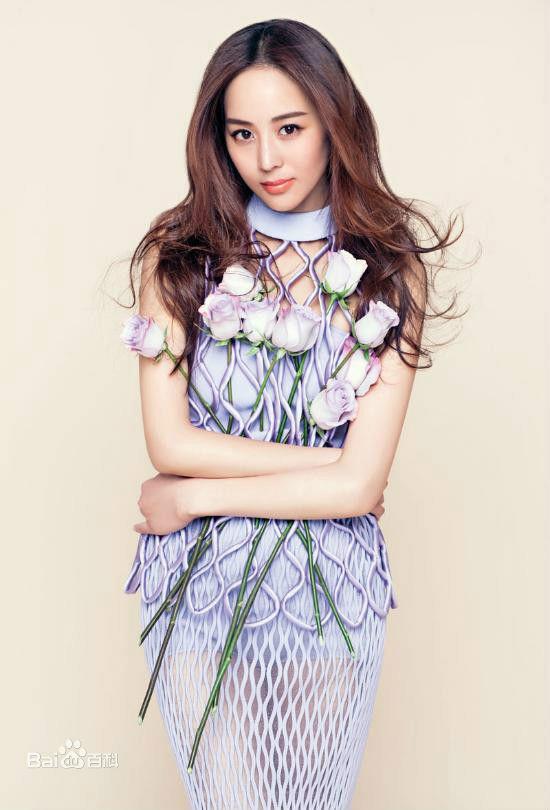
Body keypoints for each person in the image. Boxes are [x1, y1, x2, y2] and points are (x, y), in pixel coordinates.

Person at [121, 18, 461, 810]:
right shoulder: (180, 256)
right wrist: (336, 467)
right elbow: (169, 442)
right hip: (198, 583)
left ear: (334, 123)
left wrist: (193, 495)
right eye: (242, 133)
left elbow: (355, 491)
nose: (266, 159)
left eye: (290, 128)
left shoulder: (388, 270)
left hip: (326, 588)